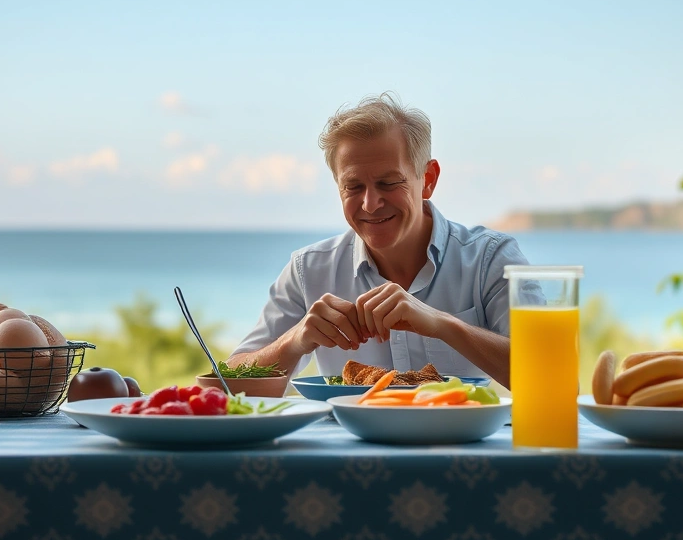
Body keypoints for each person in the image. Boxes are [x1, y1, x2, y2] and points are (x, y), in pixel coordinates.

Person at [226, 93, 530, 388]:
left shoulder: (491, 259)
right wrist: (294, 341)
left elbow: (557, 380)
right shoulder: (308, 269)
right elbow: (227, 385)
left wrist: (444, 326)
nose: (370, 204)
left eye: (388, 182)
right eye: (353, 186)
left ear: (428, 180)